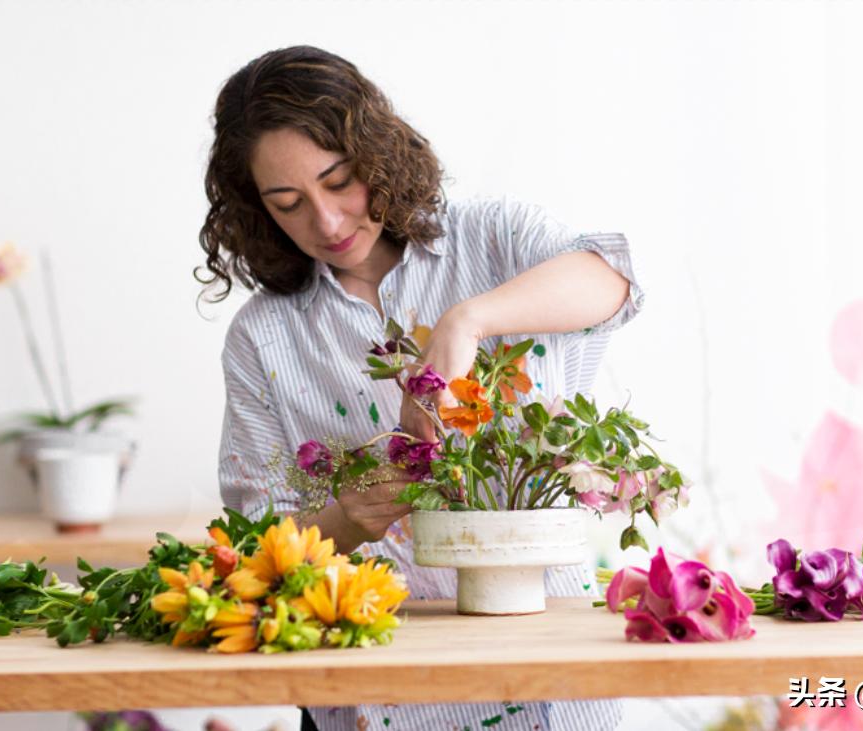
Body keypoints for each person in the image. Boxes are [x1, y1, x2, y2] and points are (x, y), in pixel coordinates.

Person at [199, 45, 644, 731]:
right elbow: (260, 549)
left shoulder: (491, 238)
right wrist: (350, 515)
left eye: (339, 180)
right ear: (258, 211)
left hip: (551, 676)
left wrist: (467, 321)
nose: (328, 221)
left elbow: (612, 281)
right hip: (381, 696)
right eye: (289, 203)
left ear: (374, 151)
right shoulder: (265, 339)